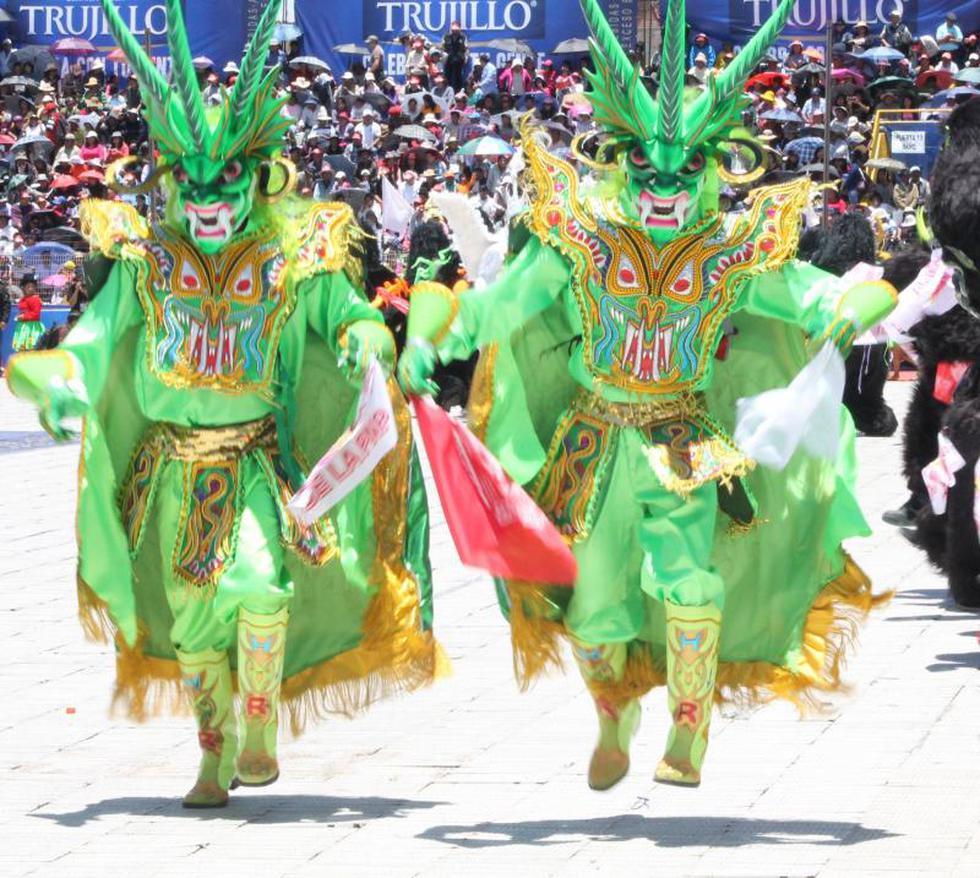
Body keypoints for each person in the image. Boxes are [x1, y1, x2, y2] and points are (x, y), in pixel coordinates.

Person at [400, 0, 895, 791]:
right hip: (591, 449)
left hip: (683, 441)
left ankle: (690, 727)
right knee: (594, 609)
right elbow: (491, 309)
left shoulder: (733, 255)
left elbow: (825, 294)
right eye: (647, 170)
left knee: (689, 580)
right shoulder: (580, 243)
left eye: (683, 171)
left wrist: (851, 307)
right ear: (621, 163)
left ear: (710, 169)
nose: (664, 189)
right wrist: (427, 334)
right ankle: (612, 717)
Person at [6, 0, 441, 810]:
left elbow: (342, 311)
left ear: (256, 176)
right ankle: (212, 755)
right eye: (191, 181)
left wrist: (368, 338)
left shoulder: (287, 257)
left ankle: (259, 723)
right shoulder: (143, 262)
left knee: (260, 591)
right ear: (171, 180)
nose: (207, 199)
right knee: (194, 625)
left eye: (226, 179)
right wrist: (49, 375)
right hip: (169, 474)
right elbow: (91, 341)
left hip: (250, 465)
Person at [12, 273, 43, 352]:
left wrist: (23, 317)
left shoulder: (35, 299)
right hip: (23, 327)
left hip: (32, 328)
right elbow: (24, 310)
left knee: (31, 348)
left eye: (32, 286)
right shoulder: (23, 299)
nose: (30, 289)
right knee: (22, 349)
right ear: (24, 288)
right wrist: (20, 315)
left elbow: (36, 314)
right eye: (28, 286)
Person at [443, 21, 468, 93]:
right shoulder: (446, 36)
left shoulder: (463, 37)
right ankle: (447, 92)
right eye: (453, 30)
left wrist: (465, 57)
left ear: (459, 29)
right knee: (448, 78)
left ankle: (458, 92)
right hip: (449, 60)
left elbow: (466, 48)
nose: (455, 31)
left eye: (456, 30)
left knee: (458, 78)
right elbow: (442, 47)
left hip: (459, 61)